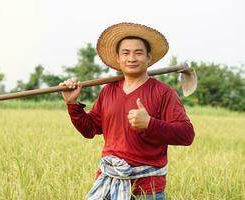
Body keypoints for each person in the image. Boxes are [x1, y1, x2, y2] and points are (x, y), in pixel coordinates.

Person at [59, 22, 195, 200]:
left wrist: (150, 124)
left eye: (138, 53)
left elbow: (187, 135)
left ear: (149, 57)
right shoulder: (108, 90)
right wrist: (72, 103)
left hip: (147, 189)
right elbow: (90, 129)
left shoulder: (164, 93)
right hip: (108, 182)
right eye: (126, 53)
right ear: (118, 58)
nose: (131, 58)